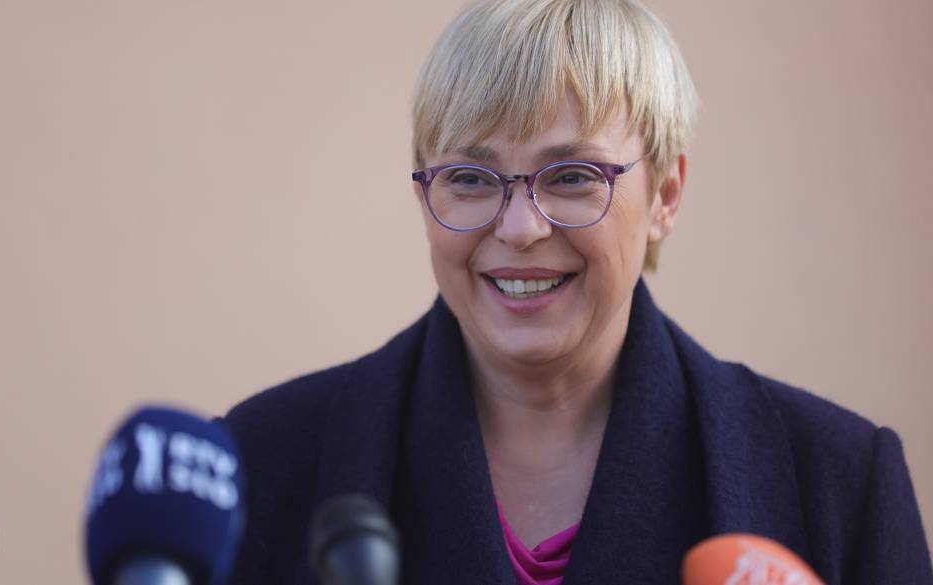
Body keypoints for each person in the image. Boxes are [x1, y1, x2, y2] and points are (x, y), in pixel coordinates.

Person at [223, 0, 933, 583]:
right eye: (470, 178)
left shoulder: (839, 481)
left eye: (571, 176)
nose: (520, 228)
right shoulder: (262, 460)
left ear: (666, 194)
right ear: (423, 194)